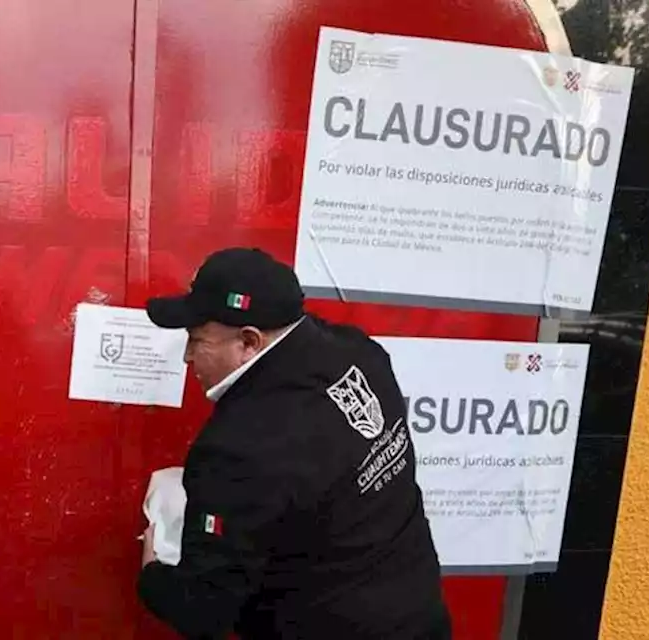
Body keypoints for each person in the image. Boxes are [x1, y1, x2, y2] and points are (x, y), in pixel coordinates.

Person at [136, 247, 450, 639]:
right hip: (417, 615)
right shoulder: (360, 351)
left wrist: (152, 574)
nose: (187, 357)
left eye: (197, 339)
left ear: (249, 341)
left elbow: (204, 609)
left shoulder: (236, 449)